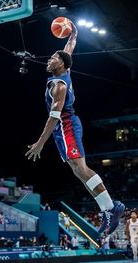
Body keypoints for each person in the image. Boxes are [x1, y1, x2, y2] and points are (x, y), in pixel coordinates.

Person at [25, 20, 125, 235]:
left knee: (81, 168)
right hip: (63, 129)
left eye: (53, 58)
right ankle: (107, 209)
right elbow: (69, 49)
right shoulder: (65, 69)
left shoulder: (59, 86)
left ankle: (112, 208)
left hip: (66, 126)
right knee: (77, 171)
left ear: (60, 64)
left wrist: (40, 143)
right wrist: (74, 34)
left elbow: (53, 118)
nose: (49, 59)